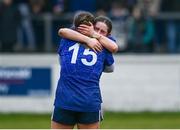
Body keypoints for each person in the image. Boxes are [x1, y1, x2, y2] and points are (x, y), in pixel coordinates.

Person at [51, 12, 117, 129]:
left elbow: (62, 58)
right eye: (96, 29)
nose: (98, 33)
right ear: (90, 25)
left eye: (102, 32)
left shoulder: (67, 39)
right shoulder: (104, 46)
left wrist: (92, 36)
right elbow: (110, 67)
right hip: (85, 100)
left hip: (68, 99)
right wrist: (89, 39)